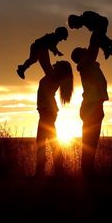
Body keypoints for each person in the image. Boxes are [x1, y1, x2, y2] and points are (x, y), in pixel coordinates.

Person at [71, 28, 110, 179]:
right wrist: (98, 26)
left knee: (91, 141)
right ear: (81, 55)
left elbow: (95, 44)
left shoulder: (88, 64)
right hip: (92, 105)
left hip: (93, 105)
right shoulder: (86, 63)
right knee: (90, 141)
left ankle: (88, 171)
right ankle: (87, 172)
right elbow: (93, 44)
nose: (86, 49)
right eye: (83, 49)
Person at [34, 47, 73, 178]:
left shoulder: (52, 76)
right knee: (50, 141)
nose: (55, 62)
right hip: (47, 112)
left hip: (47, 112)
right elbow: (44, 60)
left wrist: (44, 44)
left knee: (42, 142)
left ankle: (42, 172)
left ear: (60, 69)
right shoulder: (53, 76)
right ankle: (57, 169)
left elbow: (43, 60)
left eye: (58, 63)